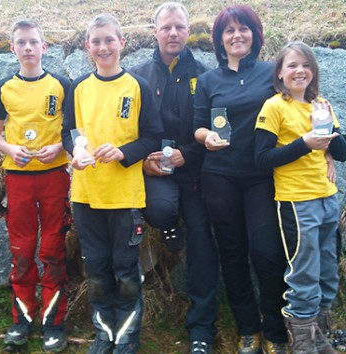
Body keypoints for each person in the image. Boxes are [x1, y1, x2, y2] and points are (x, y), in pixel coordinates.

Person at [61, 13, 163, 354]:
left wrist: (122, 152)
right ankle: (104, 333)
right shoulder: (78, 87)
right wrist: (75, 151)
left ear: (122, 43)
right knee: (97, 269)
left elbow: (152, 137)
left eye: (109, 40)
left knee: (126, 271)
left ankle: (128, 336)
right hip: (86, 195)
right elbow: (69, 131)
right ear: (87, 46)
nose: (103, 47)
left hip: (124, 196)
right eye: (96, 41)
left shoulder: (137, 87)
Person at [193, 5, 289, 354]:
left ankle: (276, 330)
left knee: (267, 254)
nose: (236, 35)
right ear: (219, 40)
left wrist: (324, 147)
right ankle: (248, 329)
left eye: (243, 28)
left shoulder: (272, 75)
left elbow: (298, 112)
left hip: (261, 178)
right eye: (229, 30)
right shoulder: (208, 81)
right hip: (219, 177)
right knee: (232, 255)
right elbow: (198, 125)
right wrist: (207, 138)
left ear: (254, 34)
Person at [128, 3, 219, 353]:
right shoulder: (136, 77)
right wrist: (140, 163)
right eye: (166, 28)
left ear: (188, 31)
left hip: (196, 170)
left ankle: (201, 329)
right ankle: (168, 228)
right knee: (161, 210)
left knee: (202, 241)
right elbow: (125, 132)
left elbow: (216, 128)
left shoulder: (206, 75)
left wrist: (188, 153)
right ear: (155, 31)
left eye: (179, 27)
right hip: (154, 170)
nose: (173, 34)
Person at [254, 41, 346, 354]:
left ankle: (320, 336)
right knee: (304, 272)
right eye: (292, 65)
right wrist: (305, 142)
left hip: (327, 197)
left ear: (313, 71)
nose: (299, 71)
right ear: (280, 73)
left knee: (327, 270)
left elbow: (344, 152)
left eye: (305, 65)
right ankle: (303, 345)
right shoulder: (274, 107)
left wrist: (329, 133)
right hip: (297, 202)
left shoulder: (321, 104)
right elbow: (262, 158)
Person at [0, 19, 71, 352]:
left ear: (43, 47)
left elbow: (75, 132)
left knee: (52, 249)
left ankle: (54, 322)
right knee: (22, 251)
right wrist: (10, 148)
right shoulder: (2, 88)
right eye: (20, 43)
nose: (27, 48)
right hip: (18, 179)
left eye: (33, 42)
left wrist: (61, 147)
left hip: (54, 176)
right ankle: (21, 318)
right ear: (13, 48)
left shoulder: (62, 85)